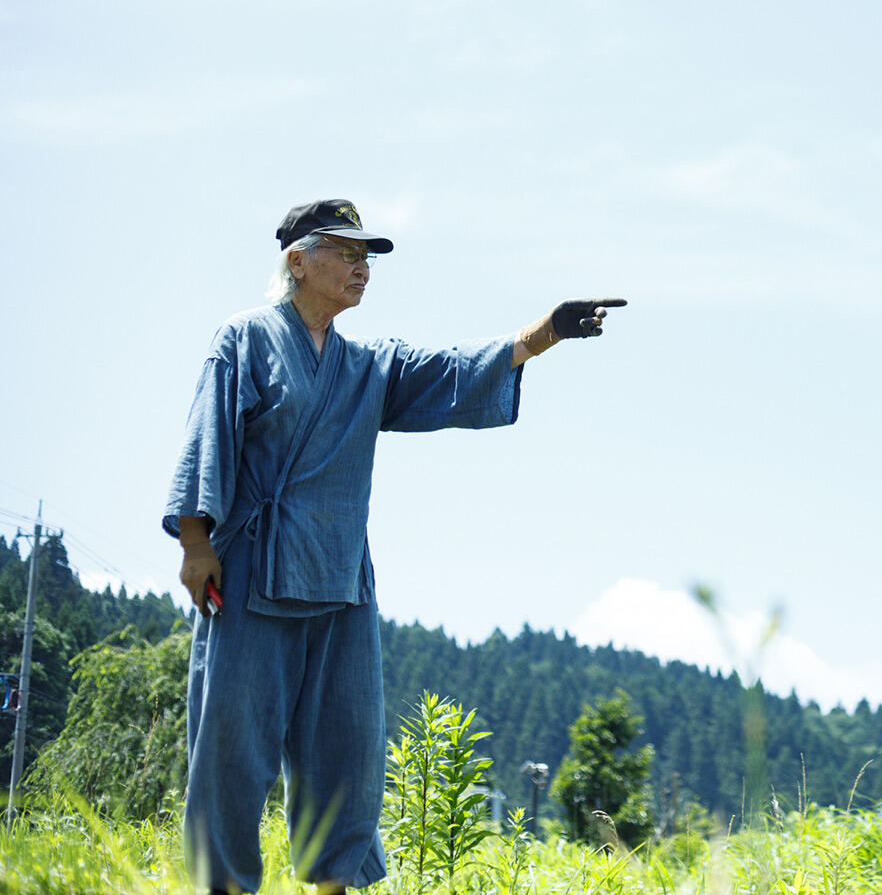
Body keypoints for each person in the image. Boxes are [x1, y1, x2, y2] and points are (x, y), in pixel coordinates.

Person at [163, 198, 625, 895]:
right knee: (231, 754)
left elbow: (453, 370)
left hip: (340, 582)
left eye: (367, 256)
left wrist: (548, 331)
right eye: (346, 254)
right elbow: (208, 436)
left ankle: (335, 886)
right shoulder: (245, 339)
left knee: (344, 752)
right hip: (253, 574)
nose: (362, 267)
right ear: (297, 261)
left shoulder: (369, 366)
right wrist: (196, 542)